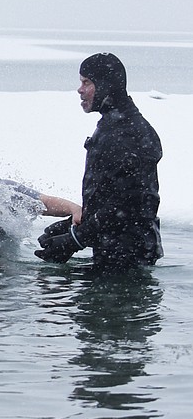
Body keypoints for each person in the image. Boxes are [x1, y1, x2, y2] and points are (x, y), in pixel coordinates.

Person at [36, 53, 163, 270]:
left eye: (86, 82)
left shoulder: (128, 133)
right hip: (114, 254)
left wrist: (75, 240)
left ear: (106, 86)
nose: (80, 89)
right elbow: (108, 197)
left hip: (129, 260)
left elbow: (128, 205)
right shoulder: (112, 125)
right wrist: (71, 226)